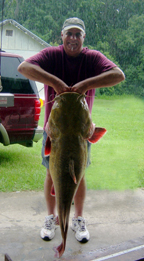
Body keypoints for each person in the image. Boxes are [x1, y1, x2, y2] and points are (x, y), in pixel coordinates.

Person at [18, 17, 125, 243]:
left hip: (80, 133)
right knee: (51, 173)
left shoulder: (92, 58)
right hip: (54, 133)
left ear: (83, 37)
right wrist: (56, 82)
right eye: (69, 34)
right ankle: (51, 217)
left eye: (78, 34)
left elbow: (119, 75)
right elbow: (23, 67)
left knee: (80, 175)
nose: (73, 38)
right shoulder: (51, 55)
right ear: (62, 36)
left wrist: (86, 84)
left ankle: (77, 219)